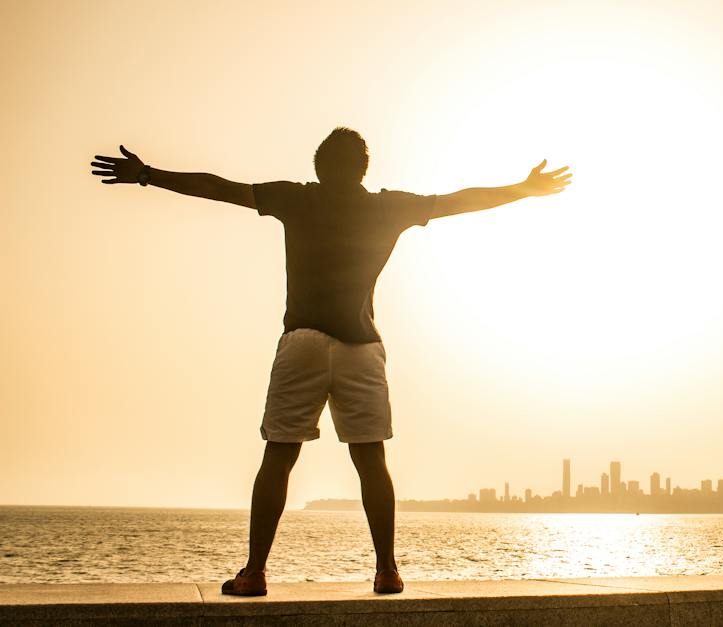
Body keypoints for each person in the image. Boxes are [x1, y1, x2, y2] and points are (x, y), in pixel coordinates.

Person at [90, 128, 571, 595]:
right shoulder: (388, 207)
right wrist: (524, 189)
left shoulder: (297, 198)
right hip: (361, 348)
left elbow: (218, 188)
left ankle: (254, 573)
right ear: (364, 169)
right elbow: (459, 200)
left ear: (318, 169)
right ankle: (386, 571)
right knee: (371, 462)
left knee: (278, 457)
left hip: (302, 340)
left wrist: (148, 174)